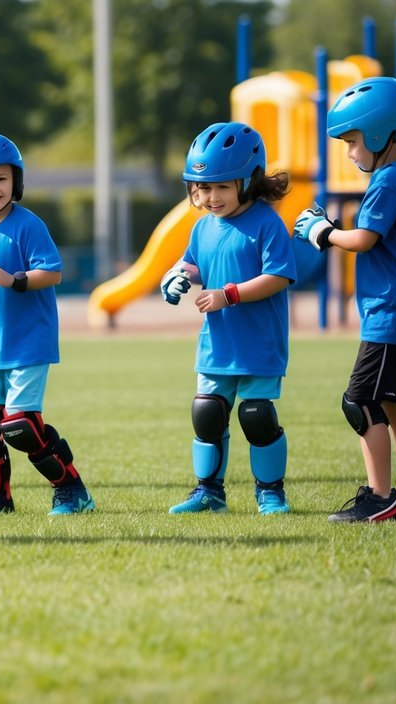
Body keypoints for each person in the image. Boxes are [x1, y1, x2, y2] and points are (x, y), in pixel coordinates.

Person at [294, 76, 396, 522]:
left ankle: (380, 498)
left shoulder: (387, 182)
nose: (349, 151)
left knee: (360, 402)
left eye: (353, 140)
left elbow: (366, 239)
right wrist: (334, 229)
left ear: (380, 135)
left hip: (392, 310)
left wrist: (322, 232)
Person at [0, 133, 94, 516]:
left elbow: (52, 273)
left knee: (20, 425)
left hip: (28, 343)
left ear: (16, 181)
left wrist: (13, 279)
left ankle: (72, 490)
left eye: (1, 179)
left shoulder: (28, 225)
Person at [161, 122, 297, 517]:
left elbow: (277, 277)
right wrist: (176, 277)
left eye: (222, 186)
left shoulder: (267, 223)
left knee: (256, 417)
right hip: (217, 344)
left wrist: (229, 294)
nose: (211, 196)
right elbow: (192, 263)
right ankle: (209, 493)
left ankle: (271, 493)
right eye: (202, 188)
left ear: (249, 180)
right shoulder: (203, 227)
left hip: (258, 343)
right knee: (207, 414)